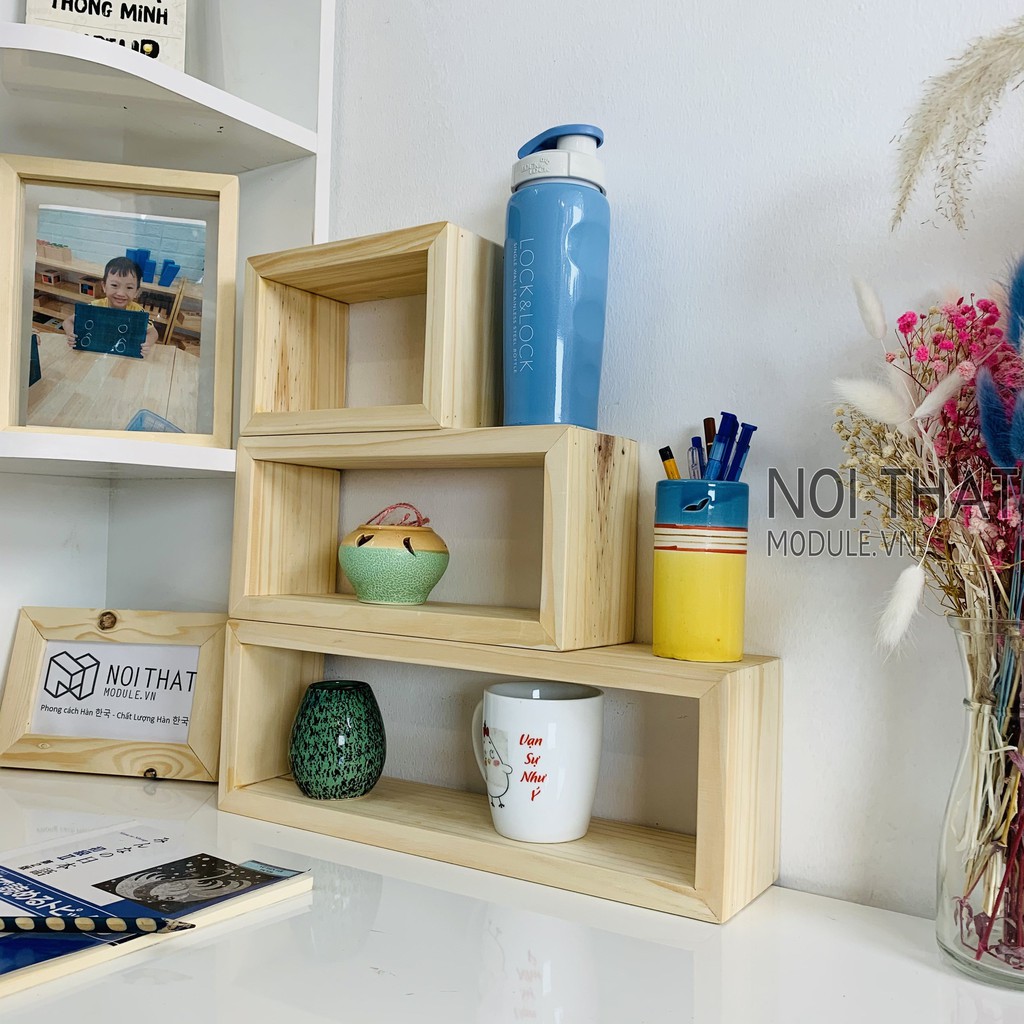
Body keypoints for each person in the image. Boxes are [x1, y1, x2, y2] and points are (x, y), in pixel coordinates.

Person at [62, 257, 158, 355]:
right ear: (104, 286)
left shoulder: (138, 312)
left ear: (136, 291)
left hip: (124, 356)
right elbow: (67, 321)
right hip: (96, 353)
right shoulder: (95, 307)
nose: (121, 293)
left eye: (129, 287)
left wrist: (147, 343)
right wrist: (71, 334)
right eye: (114, 285)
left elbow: (153, 333)